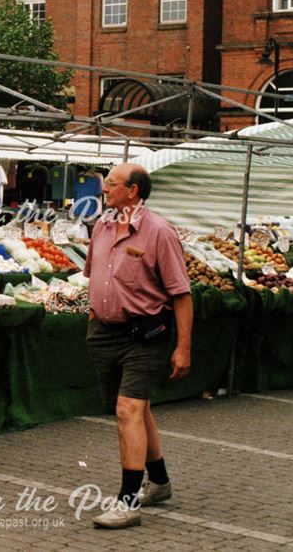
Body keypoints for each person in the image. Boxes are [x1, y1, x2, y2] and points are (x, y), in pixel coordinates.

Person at [83, 163, 192, 529]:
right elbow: (94, 276)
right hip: (105, 332)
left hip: (145, 334)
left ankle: (128, 502)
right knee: (137, 409)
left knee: (128, 409)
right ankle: (159, 482)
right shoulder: (101, 225)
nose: (104, 190)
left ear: (132, 191)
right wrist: (94, 318)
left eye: (111, 185)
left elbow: (181, 295)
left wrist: (183, 348)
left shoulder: (159, 232)